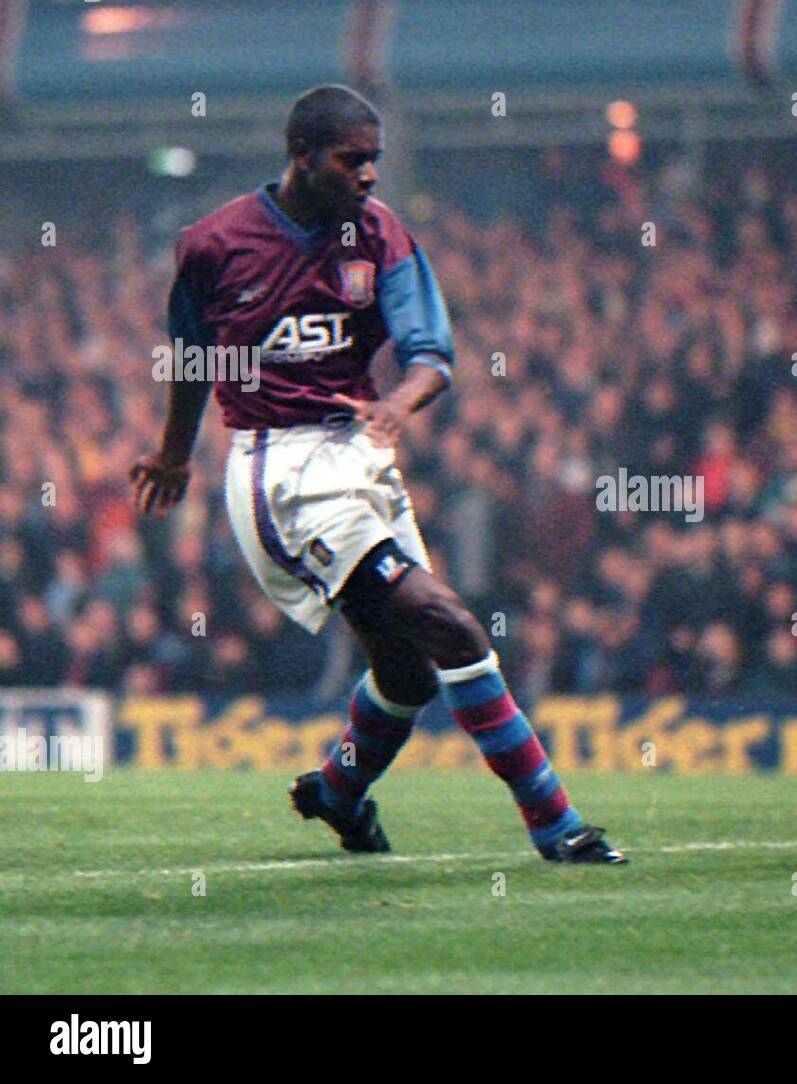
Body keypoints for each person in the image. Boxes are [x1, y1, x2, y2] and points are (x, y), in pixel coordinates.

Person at [129, 85, 625, 864]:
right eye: (351, 159)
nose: (367, 176)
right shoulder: (214, 244)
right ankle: (556, 825)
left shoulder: (381, 234)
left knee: (408, 672)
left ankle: (337, 790)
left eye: (374, 161)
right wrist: (173, 454)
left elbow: (433, 355)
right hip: (282, 468)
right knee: (450, 624)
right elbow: (192, 359)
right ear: (302, 155)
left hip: (363, 451)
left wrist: (396, 402)